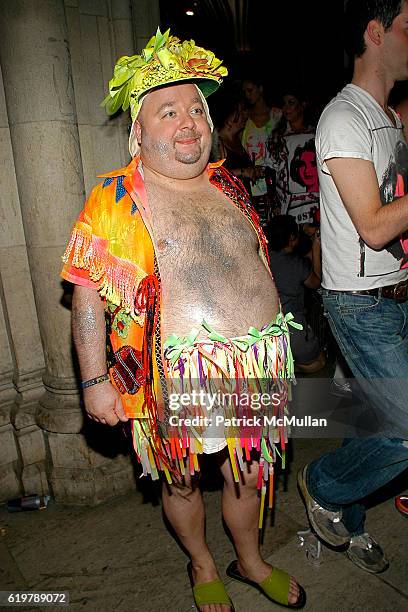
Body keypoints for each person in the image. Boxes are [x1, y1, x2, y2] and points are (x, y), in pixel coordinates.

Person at [61, 28, 305, 611]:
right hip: (176, 376)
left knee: (249, 473)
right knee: (182, 478)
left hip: (256, 366)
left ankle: (248, 560)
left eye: (196, 107)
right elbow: (88, 293)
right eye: (168, 111)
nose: (189, 121)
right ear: (137, 134)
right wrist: (95, 381)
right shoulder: (117, 197)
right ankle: (201, 563)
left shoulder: (227, 181)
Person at [297, 0, 408, 575]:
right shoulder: (344, 117)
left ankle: (348, 516)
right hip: (358, 305)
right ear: (376, 31)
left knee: (376, 422)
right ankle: (323, 485)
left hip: (397, 293)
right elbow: (374, 223)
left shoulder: (390, 118)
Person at [268, 215, 325, 373]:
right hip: (292, 326)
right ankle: (287, 370)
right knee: (319, 363)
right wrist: (316, 247)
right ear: (292, 238)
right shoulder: (295, 264)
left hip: (268, 327)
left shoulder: (264, 258)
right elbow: (315, 282)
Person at [266, 89, 319, 224]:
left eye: (291, 103)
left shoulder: (317, 133)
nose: (286, 108)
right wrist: (273, 200)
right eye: (284, 104)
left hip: (317, 202)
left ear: (302, 105)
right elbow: (270, 170)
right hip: (287, 205)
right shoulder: (278, 137)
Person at [241, 76, 282, 225]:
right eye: (244, 91)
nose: (247, 95)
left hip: (276, 182)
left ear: (260, 89)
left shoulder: (277, 115)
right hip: (253, 183)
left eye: (250, 90)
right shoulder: (244, 118)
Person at [212, 91, 264, 196]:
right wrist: (244, 172)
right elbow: (214, 175)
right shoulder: (217, 142)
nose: (246, 116)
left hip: (244, 200)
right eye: (241, 112)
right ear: (230, 117)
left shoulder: (238, 140)